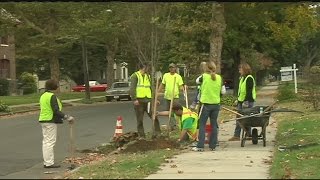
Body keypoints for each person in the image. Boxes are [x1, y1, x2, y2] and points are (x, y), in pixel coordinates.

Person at [39, 79, 74, 168]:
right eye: (57, 85)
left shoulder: (43, 95)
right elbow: (56, 110)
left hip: (43, 120)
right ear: (54, 87)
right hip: (50, 120)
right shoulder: (52, 96)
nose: (58, 87)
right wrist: (67, 117)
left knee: (46, 142)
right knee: (50, 142)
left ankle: (47, 161)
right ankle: (49, 163)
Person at [192, 61, 223, 151]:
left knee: (202, 124)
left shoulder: (204, 77)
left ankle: (200, 145)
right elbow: (223, 91)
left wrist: (205, 73)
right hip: (216, 104)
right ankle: (213, 145)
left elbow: (197, 81)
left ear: (206, 68)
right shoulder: (219, 78)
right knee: (214, 124)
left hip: (205, 104)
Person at [130, 62, 161, 139]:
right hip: (139, 101)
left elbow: (151, 88)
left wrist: (154, 99)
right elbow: (132, 88)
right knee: (140, 120)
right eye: (147, 67)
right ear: (143, 67)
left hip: (148, 101)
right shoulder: (135, 76)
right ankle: (142, 136)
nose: (148, 69)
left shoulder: (148, 76)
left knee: (154, 116)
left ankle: (157, 133)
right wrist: (134, 99)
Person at [228, 62, 256, 141]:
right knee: (239, 118)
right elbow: (241, 91)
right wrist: (238, 100)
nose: (239, 71)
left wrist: (246, 101)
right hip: (241, 101)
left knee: (247, 118)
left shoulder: (249, 78)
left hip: (247, 101)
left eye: (240, 69)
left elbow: (249, 91)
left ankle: (248, 134)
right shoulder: (242, 78)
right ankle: (237, 135)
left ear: (244, 69)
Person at [158, 63, 185, 130]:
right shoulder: (166, 75)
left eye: (173, 67)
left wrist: (183, 88)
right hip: (167, 96)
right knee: (168, 112)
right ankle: (171, 125)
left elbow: (181, 86)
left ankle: (176, 125)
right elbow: (162, 84)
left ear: (175, 68)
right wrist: (158, 92)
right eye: (170, 67)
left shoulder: (178, 76)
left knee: (175, 111)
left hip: (175, 97)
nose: (171, 69)